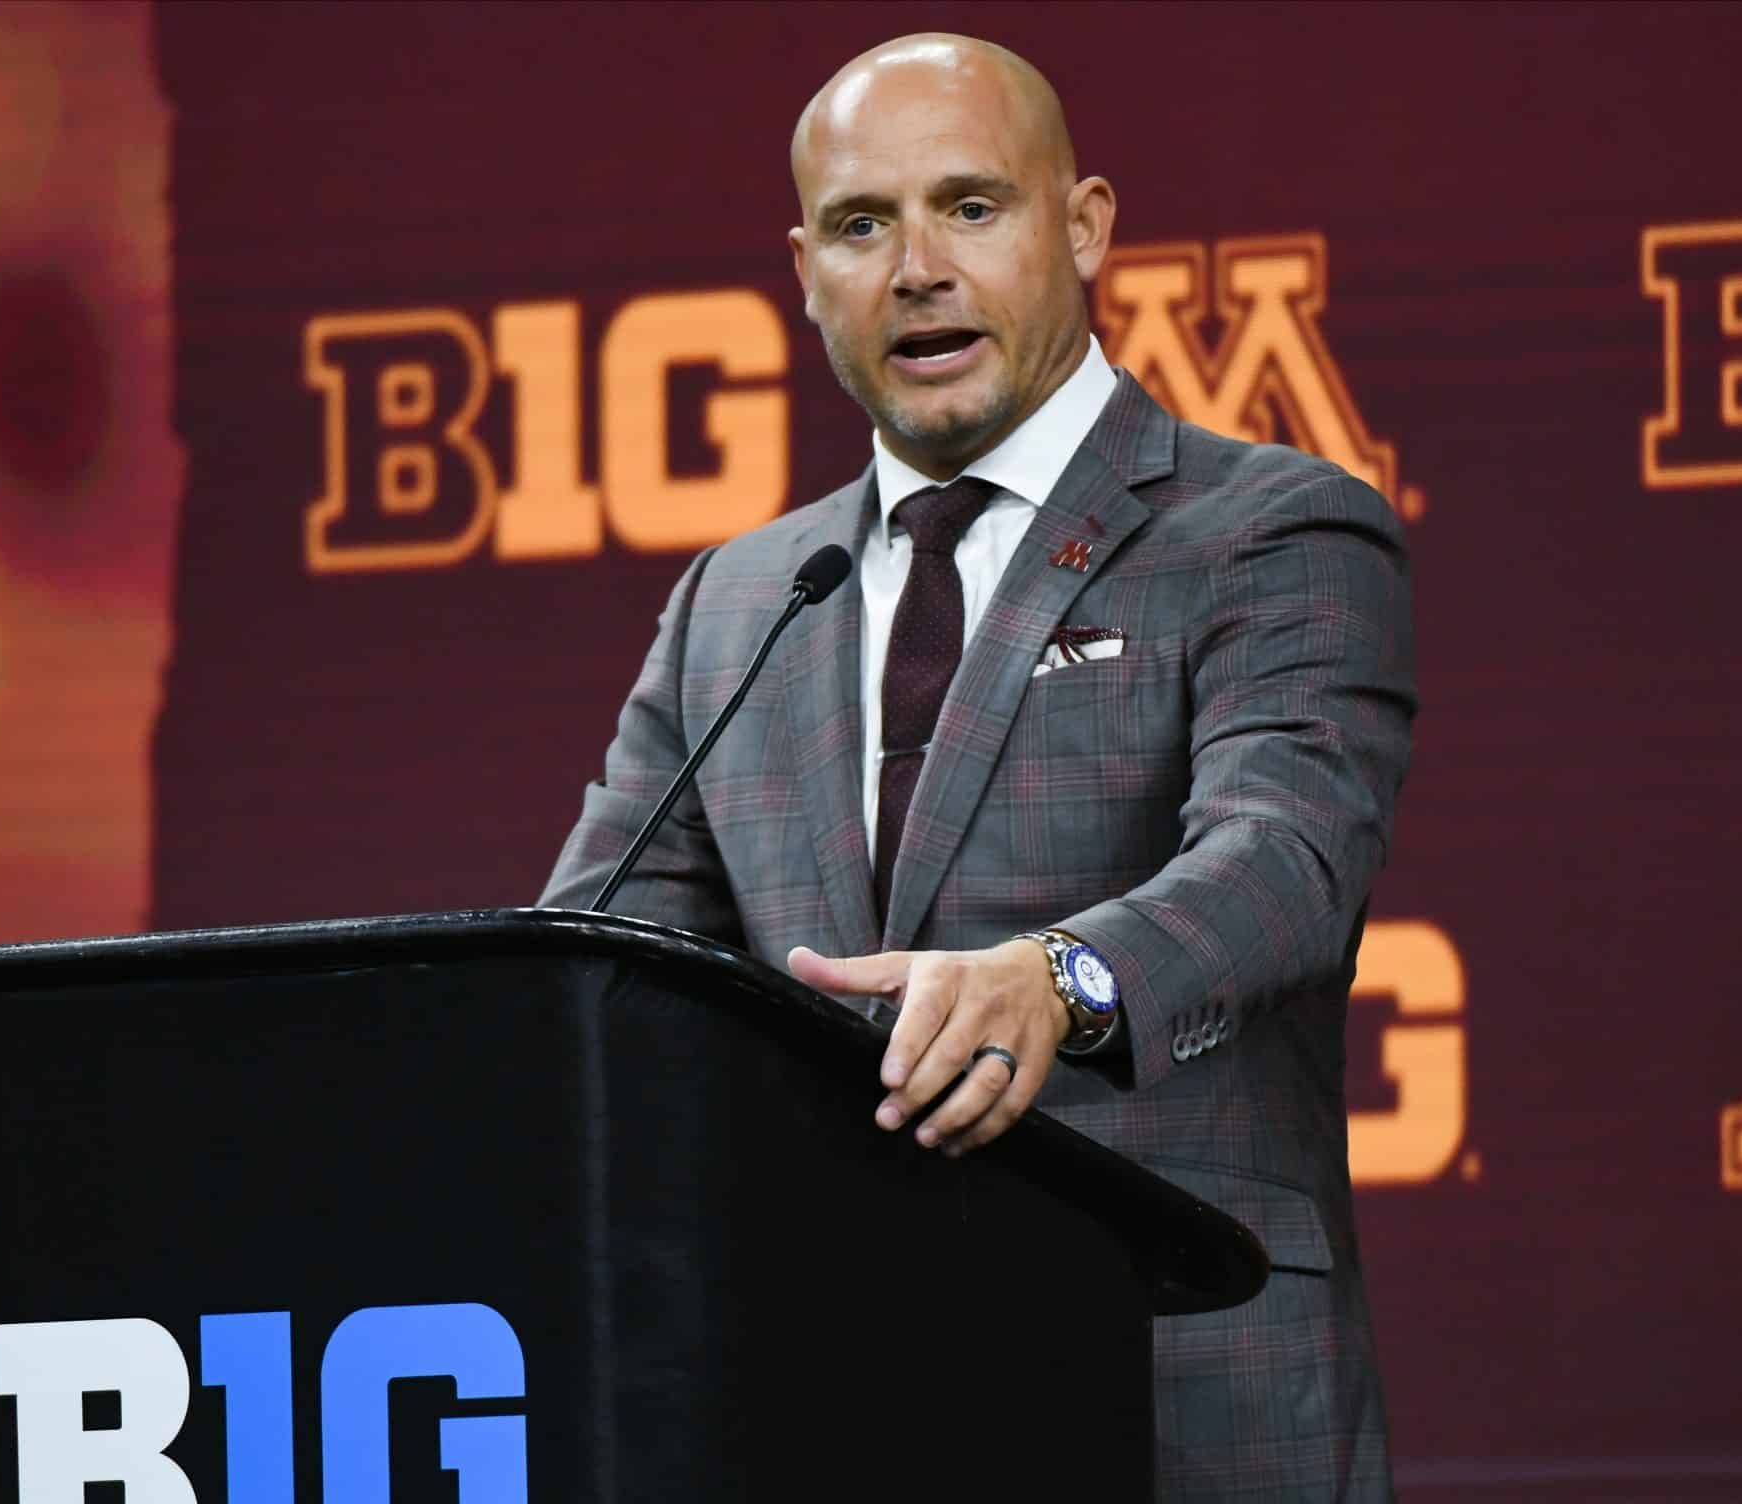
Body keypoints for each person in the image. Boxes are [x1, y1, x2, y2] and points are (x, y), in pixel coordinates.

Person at [541, 32, 1414, 1500]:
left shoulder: (1265, 531)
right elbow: (604, 964)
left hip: (1173, 1374)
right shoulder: (740, 602)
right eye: (862, 226)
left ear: (1082, 227)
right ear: (806, 272)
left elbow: (1286, 859)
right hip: (818, 1393)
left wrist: (1057, 980)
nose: (916, 269)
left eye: (970, 207)